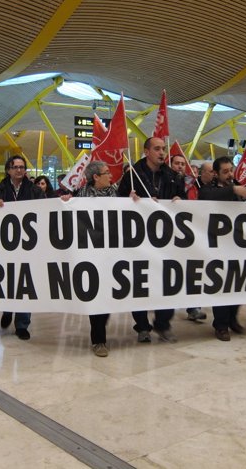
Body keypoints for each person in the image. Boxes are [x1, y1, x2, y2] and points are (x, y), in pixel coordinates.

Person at [117, 136, 185, 343]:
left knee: (169, 280)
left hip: (165, 239)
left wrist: (180, 200)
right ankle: (142, 326)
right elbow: (119, 203)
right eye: (157, 149)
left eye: (163, 149)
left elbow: (184, 199)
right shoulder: (132, 175)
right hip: (139, 239)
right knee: (139, 283)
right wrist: (133, 201)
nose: (162, 152)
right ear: (146, 152)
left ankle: (163, 323)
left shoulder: (173, 176)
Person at [198, 157, 246, 341]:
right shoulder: (209, 189)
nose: (230, 174)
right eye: (225, 171)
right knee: (222, 285)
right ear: (215, 173)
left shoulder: (240, 186)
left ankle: (232, 319)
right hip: (219, 246)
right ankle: (221, 325)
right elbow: (206, 197)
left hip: (239, 244)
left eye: (231, 170)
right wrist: (233, 190)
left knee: (238, 283)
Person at [0, 155, 43, 340]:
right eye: (15, 167)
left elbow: (46, 210)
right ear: (8, 170)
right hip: (6, 245)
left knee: (25, 284)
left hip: (28, 245)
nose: (19, 170)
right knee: (8, 281)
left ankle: (22, 324)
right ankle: (7, 309)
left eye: (22, 167)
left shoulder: (35, 190)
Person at [74, 161, 117, 357]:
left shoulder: (118, 194)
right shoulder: (79, 197)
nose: (111, 176)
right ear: (95, 178)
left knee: (107, 297)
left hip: (113, 254)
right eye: (106, 173)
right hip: (90, 255)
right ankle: (98, 340)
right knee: (96, 296)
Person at [170, 154, 206, 322]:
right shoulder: (169, 182)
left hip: (193, 232)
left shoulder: (195, 185)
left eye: (183, 164)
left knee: (193, 271)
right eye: (177, 163)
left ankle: (194, 307)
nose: (180, 166)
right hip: (172, 233)